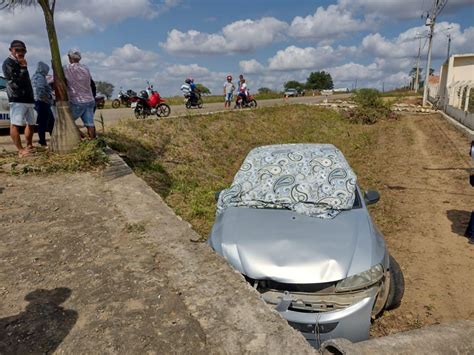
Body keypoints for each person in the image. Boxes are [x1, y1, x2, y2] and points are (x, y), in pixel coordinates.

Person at [2, 40, 36, 157]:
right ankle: (20, 150)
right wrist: (22, 67)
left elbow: (26, 80)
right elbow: (13, 79)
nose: (21, 52)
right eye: (17, 50)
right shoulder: (8, 63)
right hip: (17, 97)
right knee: (15, 124)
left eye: (23, 50)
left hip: (28, 98)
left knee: (31, 123)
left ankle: (29, 145)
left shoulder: (22, 62)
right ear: (11, 50)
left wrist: (23, 66)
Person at [63, 49, 96, 138]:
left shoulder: (67, 68)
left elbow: (55, 79)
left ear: (70, 58)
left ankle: (82, 137)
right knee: (90, 123)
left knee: (67, 121)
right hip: (90, 100)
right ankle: (92, 143)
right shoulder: (85, 68)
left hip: (77, 101)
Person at [32, 61, 55, 146]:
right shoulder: (40, 77)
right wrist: (45, 99)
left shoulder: (36, 76)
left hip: (41, 102)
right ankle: (42, 141)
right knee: (44, 122)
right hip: (42, 102)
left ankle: (54, 139)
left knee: (50, 121)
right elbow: (40, 90)